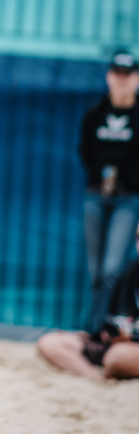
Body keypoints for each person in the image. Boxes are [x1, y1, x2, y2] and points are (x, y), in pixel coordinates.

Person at [78, 49, 139, 333]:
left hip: (128, 199)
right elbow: (86, 153)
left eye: (128, 75)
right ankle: (95, 328)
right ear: (109, 76)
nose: (122, 80)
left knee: (112, 269)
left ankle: (104, 327)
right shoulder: (96, 114)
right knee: (96, 272)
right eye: (117, 74)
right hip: (96, 196)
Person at [37, 227, 139, 380]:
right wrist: (102, 334)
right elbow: (115, 319)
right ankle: (95, 378)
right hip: (117, 345)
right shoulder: (129, 275)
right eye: (138, 238)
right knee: (50, 342)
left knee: (117, 357)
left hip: (128, 349)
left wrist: (132, 337)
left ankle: (108, 373)